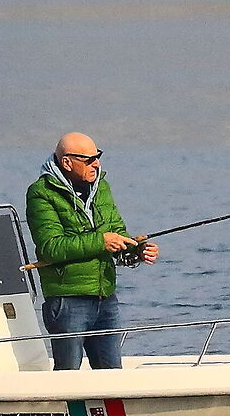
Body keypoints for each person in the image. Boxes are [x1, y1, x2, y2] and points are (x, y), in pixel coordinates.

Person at [25, 133, 158, 371]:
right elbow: (50, 247)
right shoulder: (40, 193)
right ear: (67, 162)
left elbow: (117, 233)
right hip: (67, 303)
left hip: (106, 299)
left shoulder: (101, 187)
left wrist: (137, 251)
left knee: (111, 379)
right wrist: (101, 242)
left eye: (98, 157)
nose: (96, 164)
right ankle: (62, 410)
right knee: (68, 378)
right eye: (89, 160)